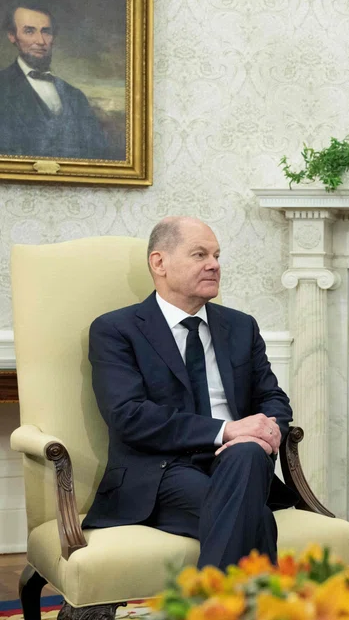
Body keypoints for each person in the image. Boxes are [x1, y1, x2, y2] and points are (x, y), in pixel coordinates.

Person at [81, 217, 299, 569]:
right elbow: (129, 416)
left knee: (246, 455)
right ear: (159, 263)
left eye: (216, 255)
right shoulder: (116, 330)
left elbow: (273, 399)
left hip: (240, 460)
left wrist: (263, 434)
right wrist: (228, 430)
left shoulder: (241, 326)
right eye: (199, 254)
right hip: (161, 470)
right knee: (253, 517)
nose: (214, 265)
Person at [0, 2, 116, 160]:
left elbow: (99, 155)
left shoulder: (75, 96)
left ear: (53, 37)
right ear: (12, 36)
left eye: (46, 32)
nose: (40, 41)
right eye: (29, 31)